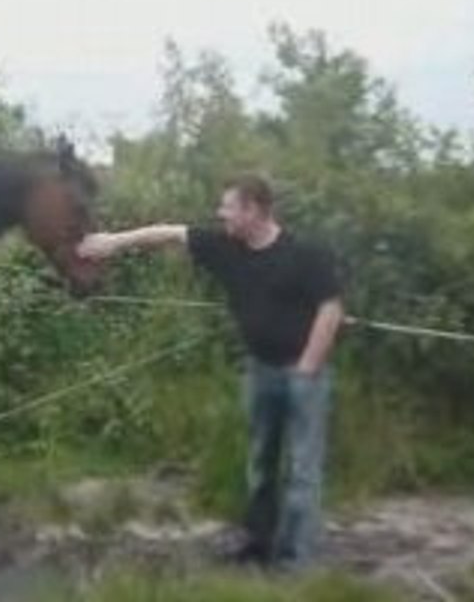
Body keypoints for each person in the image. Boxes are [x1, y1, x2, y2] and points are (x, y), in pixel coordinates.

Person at [77, 173, 344, 570]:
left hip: (305, 376)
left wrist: (306, 369)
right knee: (261, 464)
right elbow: (169, 233)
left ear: (253, 210)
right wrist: (113, 242)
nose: (221, 214)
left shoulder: (305, 254)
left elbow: (331, 309)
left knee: (303, 471)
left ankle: (294, 562)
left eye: (228, 207)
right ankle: (258, 543)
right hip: (260, 371)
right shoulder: (225, 248)